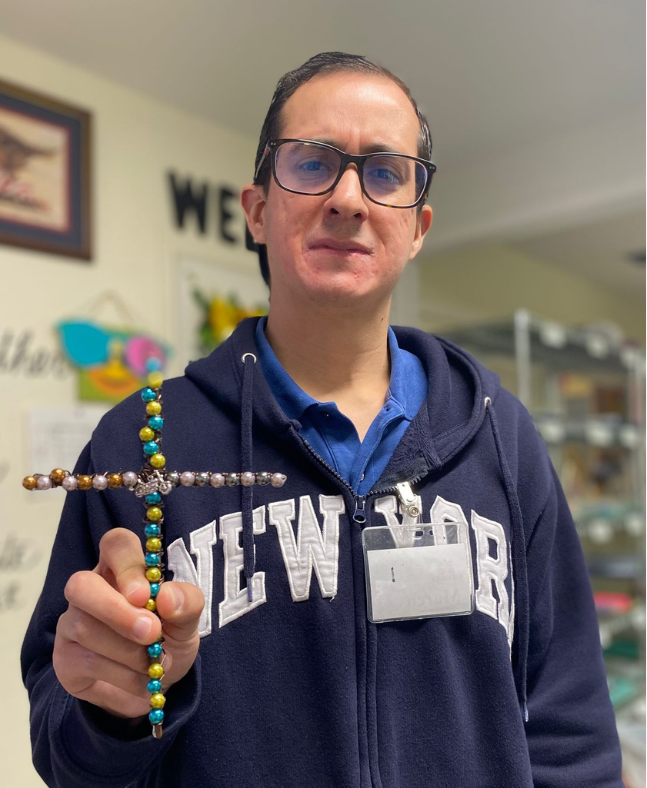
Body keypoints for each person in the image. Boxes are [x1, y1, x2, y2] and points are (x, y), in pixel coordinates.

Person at [21, 52, 623, 788]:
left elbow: (570, 731)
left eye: (383, 172)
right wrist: (117, 710)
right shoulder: (136, 443)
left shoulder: (503, 438)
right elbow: (65, 752)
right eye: (311, 164)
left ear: (418, 225)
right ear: (255, 209)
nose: (347, 198)